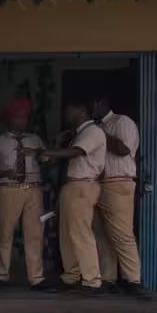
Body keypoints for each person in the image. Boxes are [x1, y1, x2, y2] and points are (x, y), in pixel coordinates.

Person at [41, 101, 107, 293]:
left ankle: (92, 280)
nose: (66, 113)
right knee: (67, 235)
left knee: (80, 233)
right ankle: (71, 276)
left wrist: (48, 152)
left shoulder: (93, 131)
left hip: (82, 185)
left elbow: (77, 152)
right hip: (73, 185)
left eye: (69, 109)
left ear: (82, 110)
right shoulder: (77, 133)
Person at [0, 98, 46, 290]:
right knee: (4, 232)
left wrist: (44, 155)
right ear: (9, 120)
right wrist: (4, 173)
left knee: (34, 234)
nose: (22, 121)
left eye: (24, 118)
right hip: (8, 188)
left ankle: (36, 278)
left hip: (33, 189)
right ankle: (0, 275)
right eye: (18, 117)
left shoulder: (35, 140)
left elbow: (47, 159)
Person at [90, 94, 143, 296]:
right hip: (97, 184)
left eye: (92, 104)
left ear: (101, 102)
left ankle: (133, 280)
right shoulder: (94, 127)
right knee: (101, 235)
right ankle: (108, 278)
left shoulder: (121, 122)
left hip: (117, 182)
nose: (89, 110)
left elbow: (123, 149)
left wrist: (99, 134)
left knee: (122, 234)